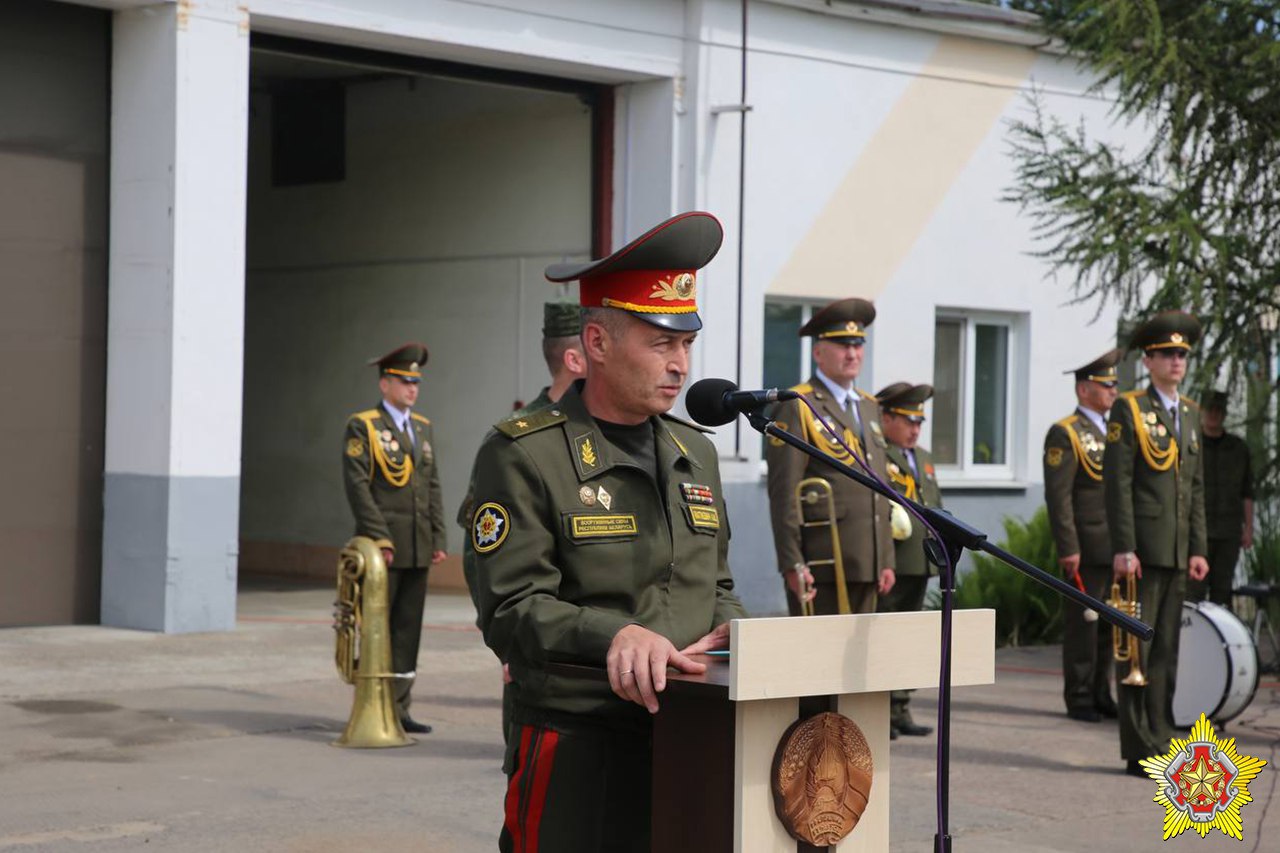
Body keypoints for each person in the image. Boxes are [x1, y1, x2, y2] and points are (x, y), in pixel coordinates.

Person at [469, 211, 747, 852]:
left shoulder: (693, 452)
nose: (679, 364)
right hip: (579, 740)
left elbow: (718, 582)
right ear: (596, 342)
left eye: (686, 345)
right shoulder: (524, 454)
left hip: (693, 736)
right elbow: (511, 608)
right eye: (659, 342)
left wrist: (735, 632)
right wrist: (615, 634)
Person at [457, 301, 587, 747]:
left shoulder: (610, 433)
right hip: (541, 664)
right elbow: (481, 553)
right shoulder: (514, 439)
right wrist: (506, 642)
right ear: (575, 359)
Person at [1103, 312, 1208, 777]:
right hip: (1142, 551)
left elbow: (1195, 487)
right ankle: (1138, 743)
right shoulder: (1130, 408)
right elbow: (1118, 483)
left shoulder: (1187, 410)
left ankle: (1162, 732)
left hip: (1178, 549)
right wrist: (1125, 546)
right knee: (1136, 650)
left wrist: (1199, 547)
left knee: (1167, 647)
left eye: (1182, 354)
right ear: (1148, 360)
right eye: (1168, 354)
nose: (1177, 361)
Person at [341, 343, 447, 735]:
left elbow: (430, 485)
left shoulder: (422, 427)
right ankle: (373, 703)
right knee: (378, 628)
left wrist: (437, 535)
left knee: (408, 629)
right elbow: (357, 487)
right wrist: (378, 537)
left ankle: (399, 707)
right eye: (404, 382)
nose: (412, 389)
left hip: (417, 544)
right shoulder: (364, 426)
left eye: (416, 382)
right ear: (385, 384)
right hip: (384, 548)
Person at [765, 298, 895, 616]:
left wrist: (886, 558)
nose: (852, 354)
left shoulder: (869, 406)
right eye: (841, 345)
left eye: (857, 344)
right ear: (818, 352)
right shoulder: (798, 404)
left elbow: (883, 487)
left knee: (863, 664)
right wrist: (793, 562)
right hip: (823, 563)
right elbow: (784, 493)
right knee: (819, 662)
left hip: (871, 561)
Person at [1044, 349, 1121, 724]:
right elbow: (1059, 497)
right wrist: (1068, 546)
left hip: (1114, 545)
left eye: (1114, 385)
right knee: (1083, 626)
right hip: (1086, 546)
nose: (1113, 391)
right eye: (1107, 385)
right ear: (1085, 389)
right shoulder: (1066, 432)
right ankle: (1079, 696)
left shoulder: (1112, 430)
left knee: (1108, 625)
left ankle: (1101, 692)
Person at [874, 381, 941, 739]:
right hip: (895, 561)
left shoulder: (924, 458)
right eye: (908, 421)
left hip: (922, 559)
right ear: (886, 419)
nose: (915, 429)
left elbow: (935, 503)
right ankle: (881, 710)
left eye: (919, 423)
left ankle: (901, 707)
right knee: (887, 636)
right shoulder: (880, 455)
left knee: (909, 638)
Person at [1187, 390, 1254, 607]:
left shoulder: (1238, 448)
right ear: (1202, 412)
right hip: (1198, 530)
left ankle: (1221, 640)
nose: (1214, 415)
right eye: (1210, 410)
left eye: (1218, 411)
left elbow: (1247, 492)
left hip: (1228, 531)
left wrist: (1249, 527)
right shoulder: (1192, 446)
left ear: (1224, 414)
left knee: (1222, 591)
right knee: (1193, 591)